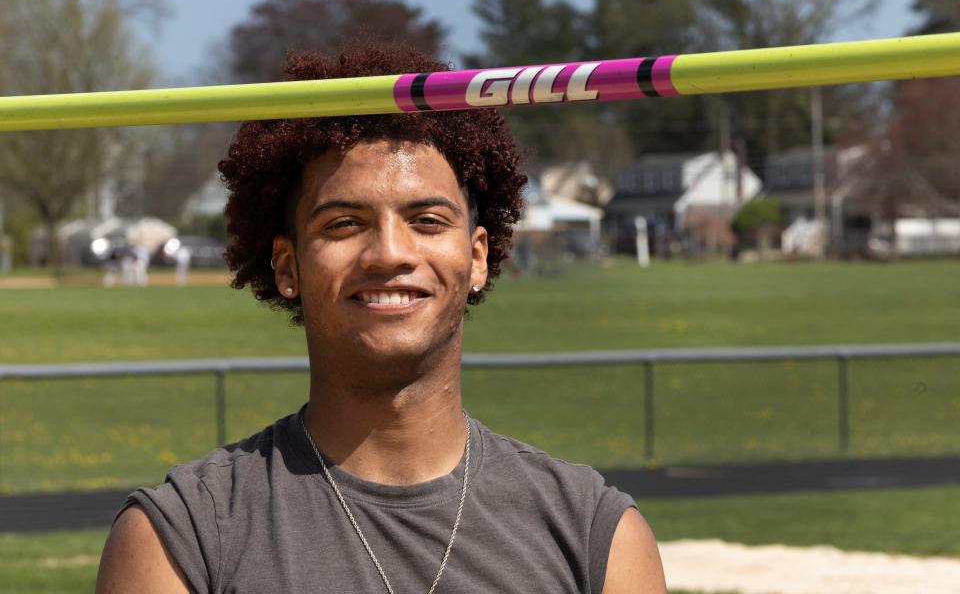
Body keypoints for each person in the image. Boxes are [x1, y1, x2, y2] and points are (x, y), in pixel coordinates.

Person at [96, 41, 667, 593]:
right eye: (343, 224)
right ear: (288, 266)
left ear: (476, 258)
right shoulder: (182, 538)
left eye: (427, 220)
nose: (390, 253)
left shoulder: (597, 536)